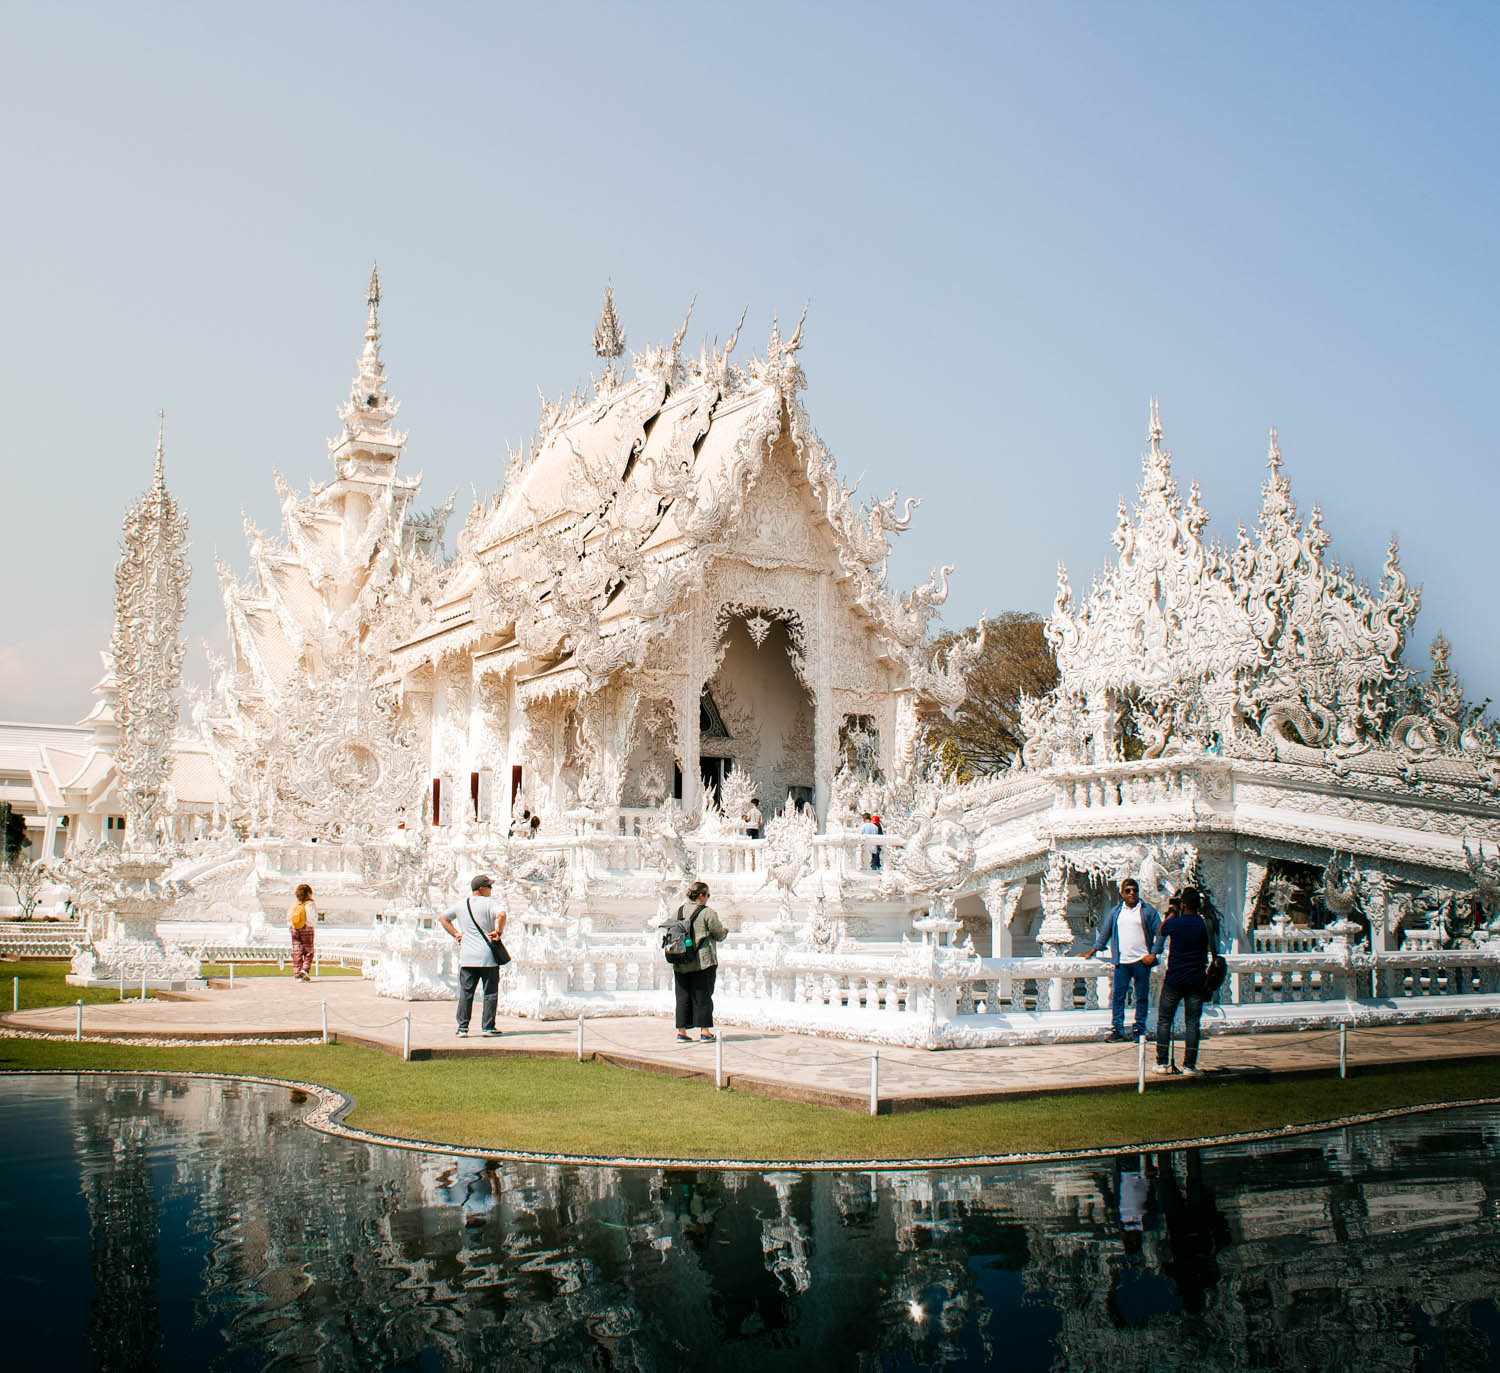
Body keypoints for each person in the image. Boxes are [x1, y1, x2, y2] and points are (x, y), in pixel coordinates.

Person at [1146, 886, 1215, 1075]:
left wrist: (1173, 911)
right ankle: (1189, 1065)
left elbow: (1161, 929)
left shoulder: (1176, 923)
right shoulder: (1202, 924)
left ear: (1183, 904)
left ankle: (1162, 1063)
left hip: (1175, 978)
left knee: (1165, 1020)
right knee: (1192, 1023)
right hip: (1196, 979)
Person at [1085, 877, 1161, 1042]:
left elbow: (1160, 932)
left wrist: (1154, 953)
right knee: (1118, 996)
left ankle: (1139, 1029)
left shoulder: (1147, 910)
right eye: (1128, 891)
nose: (1132, 893)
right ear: (1122, 893)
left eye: (1134, 890)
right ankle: (1117, 1029)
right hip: (1122, 962)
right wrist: (1090, 952)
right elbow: (1105, 933)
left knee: (1141, 996)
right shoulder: (1116, 912)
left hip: (1142, 960)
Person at [438, 874, 508, 1038]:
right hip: (487, 957)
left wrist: (456, 933)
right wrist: (499, 932)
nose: (491, 889)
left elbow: (443, 918)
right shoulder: (490, 903)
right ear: (482, 890)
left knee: (466, 993)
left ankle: (463, 1027)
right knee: (490, 993)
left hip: (467, 956)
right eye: (490, 887)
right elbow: (502, 915)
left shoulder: (462, 904)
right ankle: (487, 1027)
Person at [671, 879, 728, 1044]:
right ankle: (705, 1032)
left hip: (680, 960)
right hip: (702, 961)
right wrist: (725, 932)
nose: (708, 898)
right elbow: (718, 933)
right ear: (701, 896)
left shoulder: (678, 912)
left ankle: (682, 1032)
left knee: (682, 996)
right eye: (707, 895)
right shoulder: (707, 913)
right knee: (702, 995)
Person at [288, 883, 317, 982]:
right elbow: (312, 918)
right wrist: (310, 925)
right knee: (309, 951)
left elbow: (289, 917)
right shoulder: (309, 904)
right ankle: (304, 969)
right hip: (306, 929)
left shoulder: (295, 903)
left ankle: (297, 975)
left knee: (297, 952)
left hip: (294, 928)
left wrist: (292, 926)